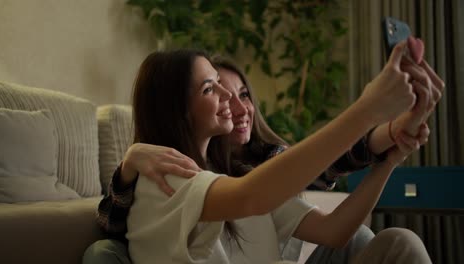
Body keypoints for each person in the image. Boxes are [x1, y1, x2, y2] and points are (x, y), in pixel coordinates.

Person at [83, 43, 444, 263]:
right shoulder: (163, 174)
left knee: (399, 242)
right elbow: (253, 197)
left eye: (239, 93)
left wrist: (390, 160)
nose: (231, 101)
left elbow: (334, 231)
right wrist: (368, 109)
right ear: (177, 109)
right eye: (212, 89)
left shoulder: (242, 172)